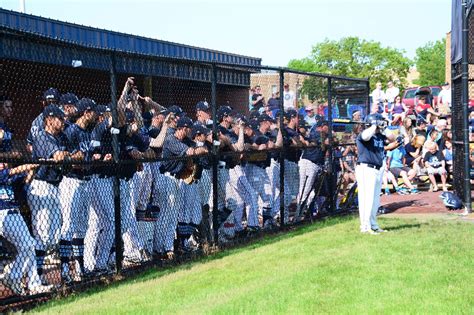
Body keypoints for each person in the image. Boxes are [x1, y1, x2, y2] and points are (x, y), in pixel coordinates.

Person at [355, 113, 400, 234]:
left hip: (377, 169)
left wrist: (384, 128)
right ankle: (365, 226)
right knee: (367, 199)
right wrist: (374, 126)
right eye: (379, 122)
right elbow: (365, 136)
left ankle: (373, 224)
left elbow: (392, 138)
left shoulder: (380, 136)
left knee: (375, 199)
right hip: (366, 169)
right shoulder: (364, 134)